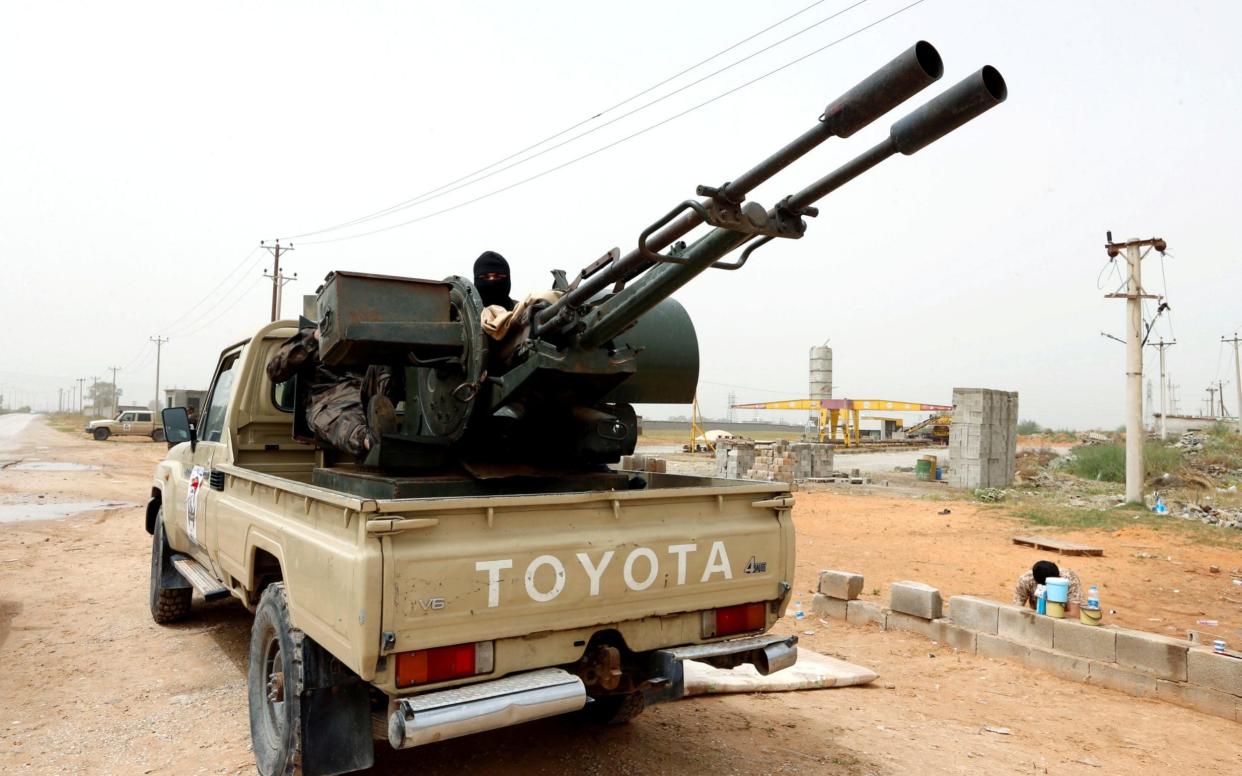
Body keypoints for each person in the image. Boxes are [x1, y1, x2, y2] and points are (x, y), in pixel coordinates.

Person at [265, 323, 397, 459]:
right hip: (328, 399)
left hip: (368, 397)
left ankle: (383, 428)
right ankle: (369, 440)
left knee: (390, 360)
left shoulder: (367, 335)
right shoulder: (313, 336)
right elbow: (274, 371)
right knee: (337, 420)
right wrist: (312, 339)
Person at [1014, 560, 1083, 615]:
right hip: (1036, 620)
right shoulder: (1026, 580)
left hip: (1063, 620)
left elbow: (1075, 614)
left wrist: (1050, 616)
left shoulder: (1069, 579)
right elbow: (1016, 609)